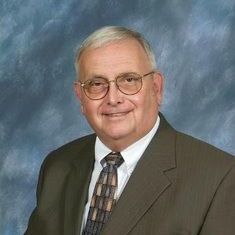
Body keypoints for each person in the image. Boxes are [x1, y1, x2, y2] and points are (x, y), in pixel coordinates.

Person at [25, 26, 235, 235]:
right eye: (97, 83)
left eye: (129, 80)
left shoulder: (219, 177)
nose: (113, 98)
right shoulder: (57, 166)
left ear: (156, 88)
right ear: (80, 97)